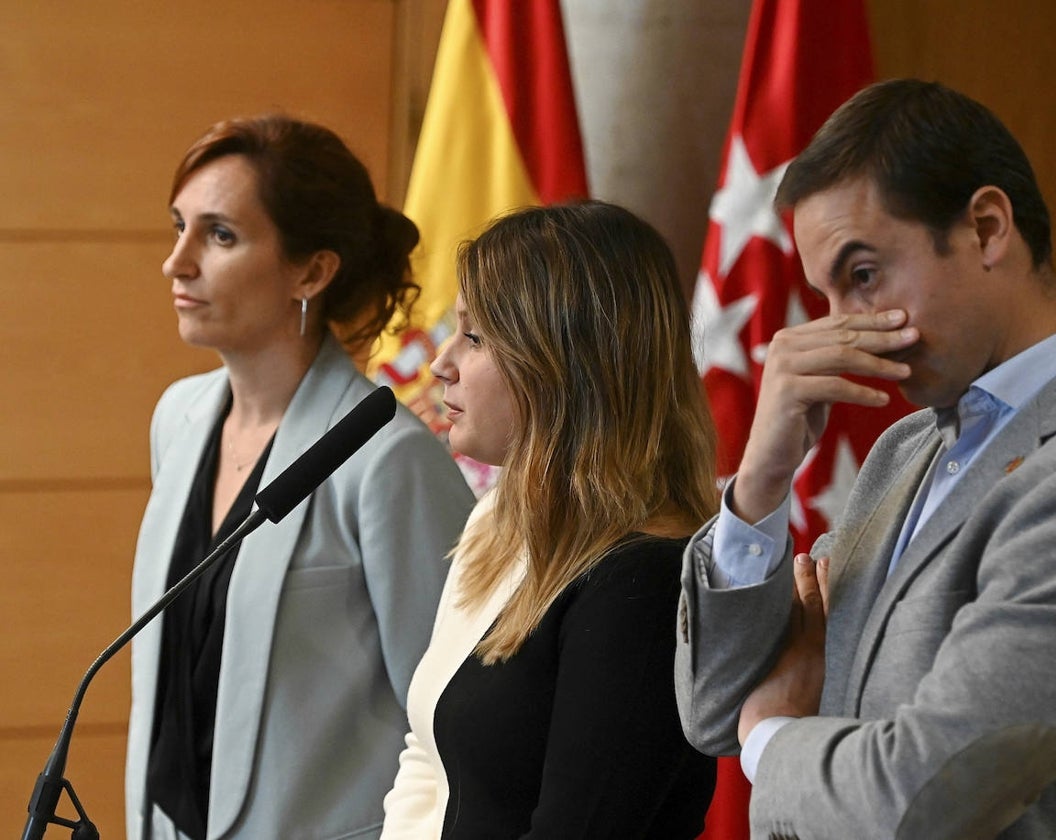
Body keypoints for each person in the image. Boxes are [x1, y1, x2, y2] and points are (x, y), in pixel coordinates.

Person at [674, 78, 1056, 839]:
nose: (842, 334)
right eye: (826, 296)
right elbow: (714, 708)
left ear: (988, 228)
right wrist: (760, 482)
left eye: (863, 277)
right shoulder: (906, 446)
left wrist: (772, 739)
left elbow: (925, 799)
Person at [125, 114, 476, 840]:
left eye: (219, 235)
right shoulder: (179, 418)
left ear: (312, 271)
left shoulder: (386, 458)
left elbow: (450, 724)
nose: (177, 262)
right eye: (178, 227)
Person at [381, 200, 719, 838]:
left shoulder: (645, 580)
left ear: (567, 364)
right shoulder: (498, 520)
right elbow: (426, 760)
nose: (440, 363)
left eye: (475, 337)